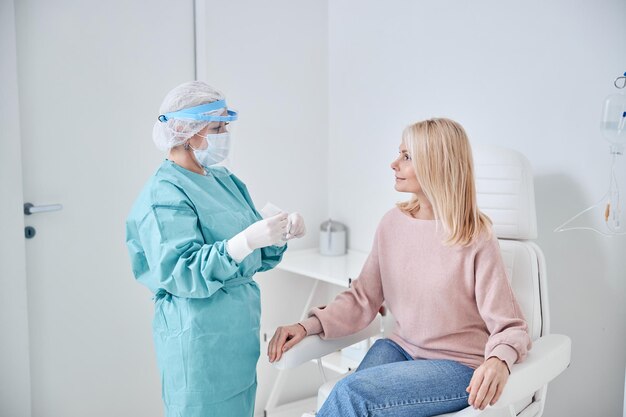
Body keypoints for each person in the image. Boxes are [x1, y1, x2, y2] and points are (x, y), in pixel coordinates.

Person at [268, 118, 532, 417]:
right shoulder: (392, 224)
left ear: (437, 164)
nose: (394, 164)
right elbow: (362, 298)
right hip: (399, 348)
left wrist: (499, 359)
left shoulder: (475, 237)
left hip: (457, 366)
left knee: (351, 393)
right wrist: (307, 326)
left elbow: (510, 325)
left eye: (407, 157)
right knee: (352, 396)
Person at [126, 81, 306, 417]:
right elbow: (181, 272)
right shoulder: (163, 194)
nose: (225, 133)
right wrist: (245, 240)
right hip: (198, 337)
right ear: (186, 131)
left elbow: (256, 254)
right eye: (217, 127)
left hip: (238, 331)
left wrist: (280, 233)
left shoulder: (222, 179)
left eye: (226, 125)